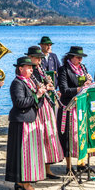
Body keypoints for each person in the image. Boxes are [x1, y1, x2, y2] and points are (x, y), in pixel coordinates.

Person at [5, 56, 46, 190]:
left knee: (26, 154)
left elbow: (36, 104)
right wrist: (37, 95)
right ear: (20, 68)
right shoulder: (17, 83)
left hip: (29, 120)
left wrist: (41, 95)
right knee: (22, 154)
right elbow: (20, 103)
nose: (31, 70)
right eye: (28, 68)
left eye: (31, 68)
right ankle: (25, 183)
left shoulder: (29, 82)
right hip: (20, 122)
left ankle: (20, 181)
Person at [26, 46, 63, 179]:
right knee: (41, 137)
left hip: (46, 105)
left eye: (40, 58)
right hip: (38, 107)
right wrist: (45, 87)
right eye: (36, 58)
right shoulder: (29, 71)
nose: (39, 60)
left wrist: (50, 86)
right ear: (30, 57)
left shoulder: (40, 69)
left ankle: (48, 168)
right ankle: (40, 169)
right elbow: (31, 88)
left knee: (48, 136)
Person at [58, 46, 92, 172]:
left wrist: (89, 83)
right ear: (70, 57)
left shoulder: (83, 68)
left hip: (81, 106)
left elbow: (85, 86)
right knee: (69, 136)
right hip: (69, 106)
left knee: (81, 134)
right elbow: (64, 90)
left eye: (81, 57)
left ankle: (81, 163)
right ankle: (68, 166)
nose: (80, 60)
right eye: (78, 57)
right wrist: (80, 89)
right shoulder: (63, 69)